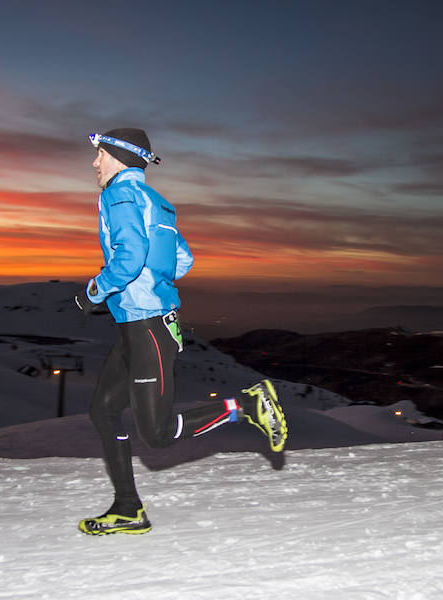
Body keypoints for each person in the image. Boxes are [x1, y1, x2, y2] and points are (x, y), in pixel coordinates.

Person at [74, 128, 288, 536]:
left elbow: (130, 256)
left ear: (119, 157)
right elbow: (184, 260)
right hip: (140, 322)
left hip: (146, 325)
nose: (95, 163)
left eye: (100, 154)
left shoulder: (116, 196)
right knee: (103, 409)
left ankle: (246, 405)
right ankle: (127, 508)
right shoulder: (158, 204)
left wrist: (95, 291)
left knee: (157, 434)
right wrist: (153, 283)